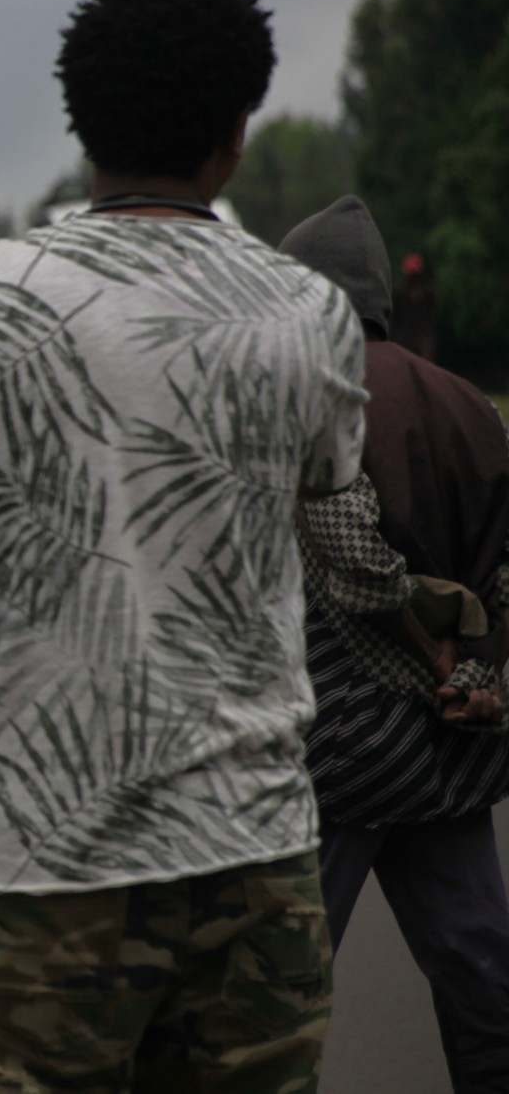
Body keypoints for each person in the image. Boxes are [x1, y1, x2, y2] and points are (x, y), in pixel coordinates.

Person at [0, 0, 369, 1092]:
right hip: (250, 864)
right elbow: (320, 529)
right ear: (236, 131)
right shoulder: (307, 314)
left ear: (77, 120)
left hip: (28, 870)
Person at [279, 195, 509, 1092]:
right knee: (479, 959)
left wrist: (428, 657)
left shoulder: (317, 397)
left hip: (337, 743)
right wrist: (480, 674)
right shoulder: (467, 403)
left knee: (283, 972)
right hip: (448, 749)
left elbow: (350, 555)